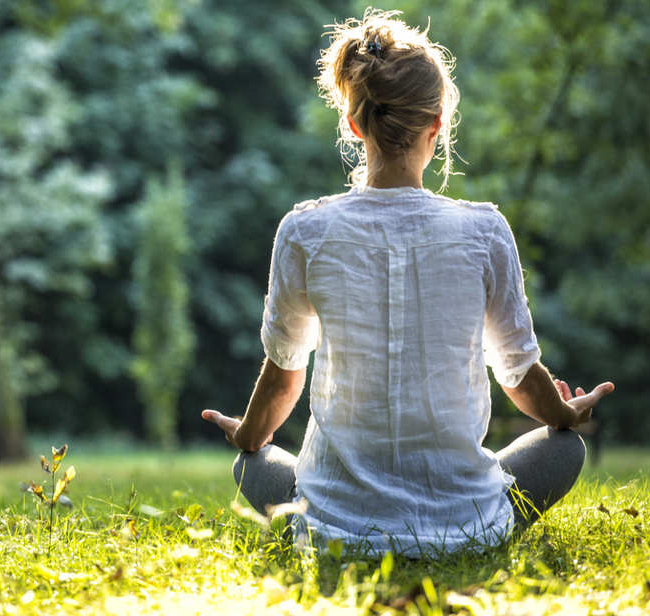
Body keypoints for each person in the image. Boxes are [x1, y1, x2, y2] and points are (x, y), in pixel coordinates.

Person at [201, 10, 614, 556]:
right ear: (436, 125)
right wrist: (564, 413)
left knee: (249, 463)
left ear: (354, 125)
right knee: (565, 450)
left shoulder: (304, 231)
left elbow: (282, 379)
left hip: (335, 531)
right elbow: (517, 375)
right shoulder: (484, 231)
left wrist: (249, 435)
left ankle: (328, 515)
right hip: (465, 525)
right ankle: (470, 526)